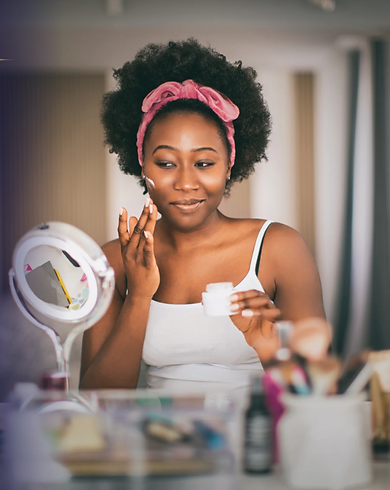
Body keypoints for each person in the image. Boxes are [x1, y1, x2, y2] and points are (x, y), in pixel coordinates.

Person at [80, 39, 331, 391]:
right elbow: (95, 399)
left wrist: (268, 346)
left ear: (229, 165)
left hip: (254, 425)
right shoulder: (114, 261)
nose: (185, 183)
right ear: (142, 164)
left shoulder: (279, 248)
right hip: (157, 427)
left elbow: (321, 393)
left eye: (203, 163)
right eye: (166, 163)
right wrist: (138, 295)